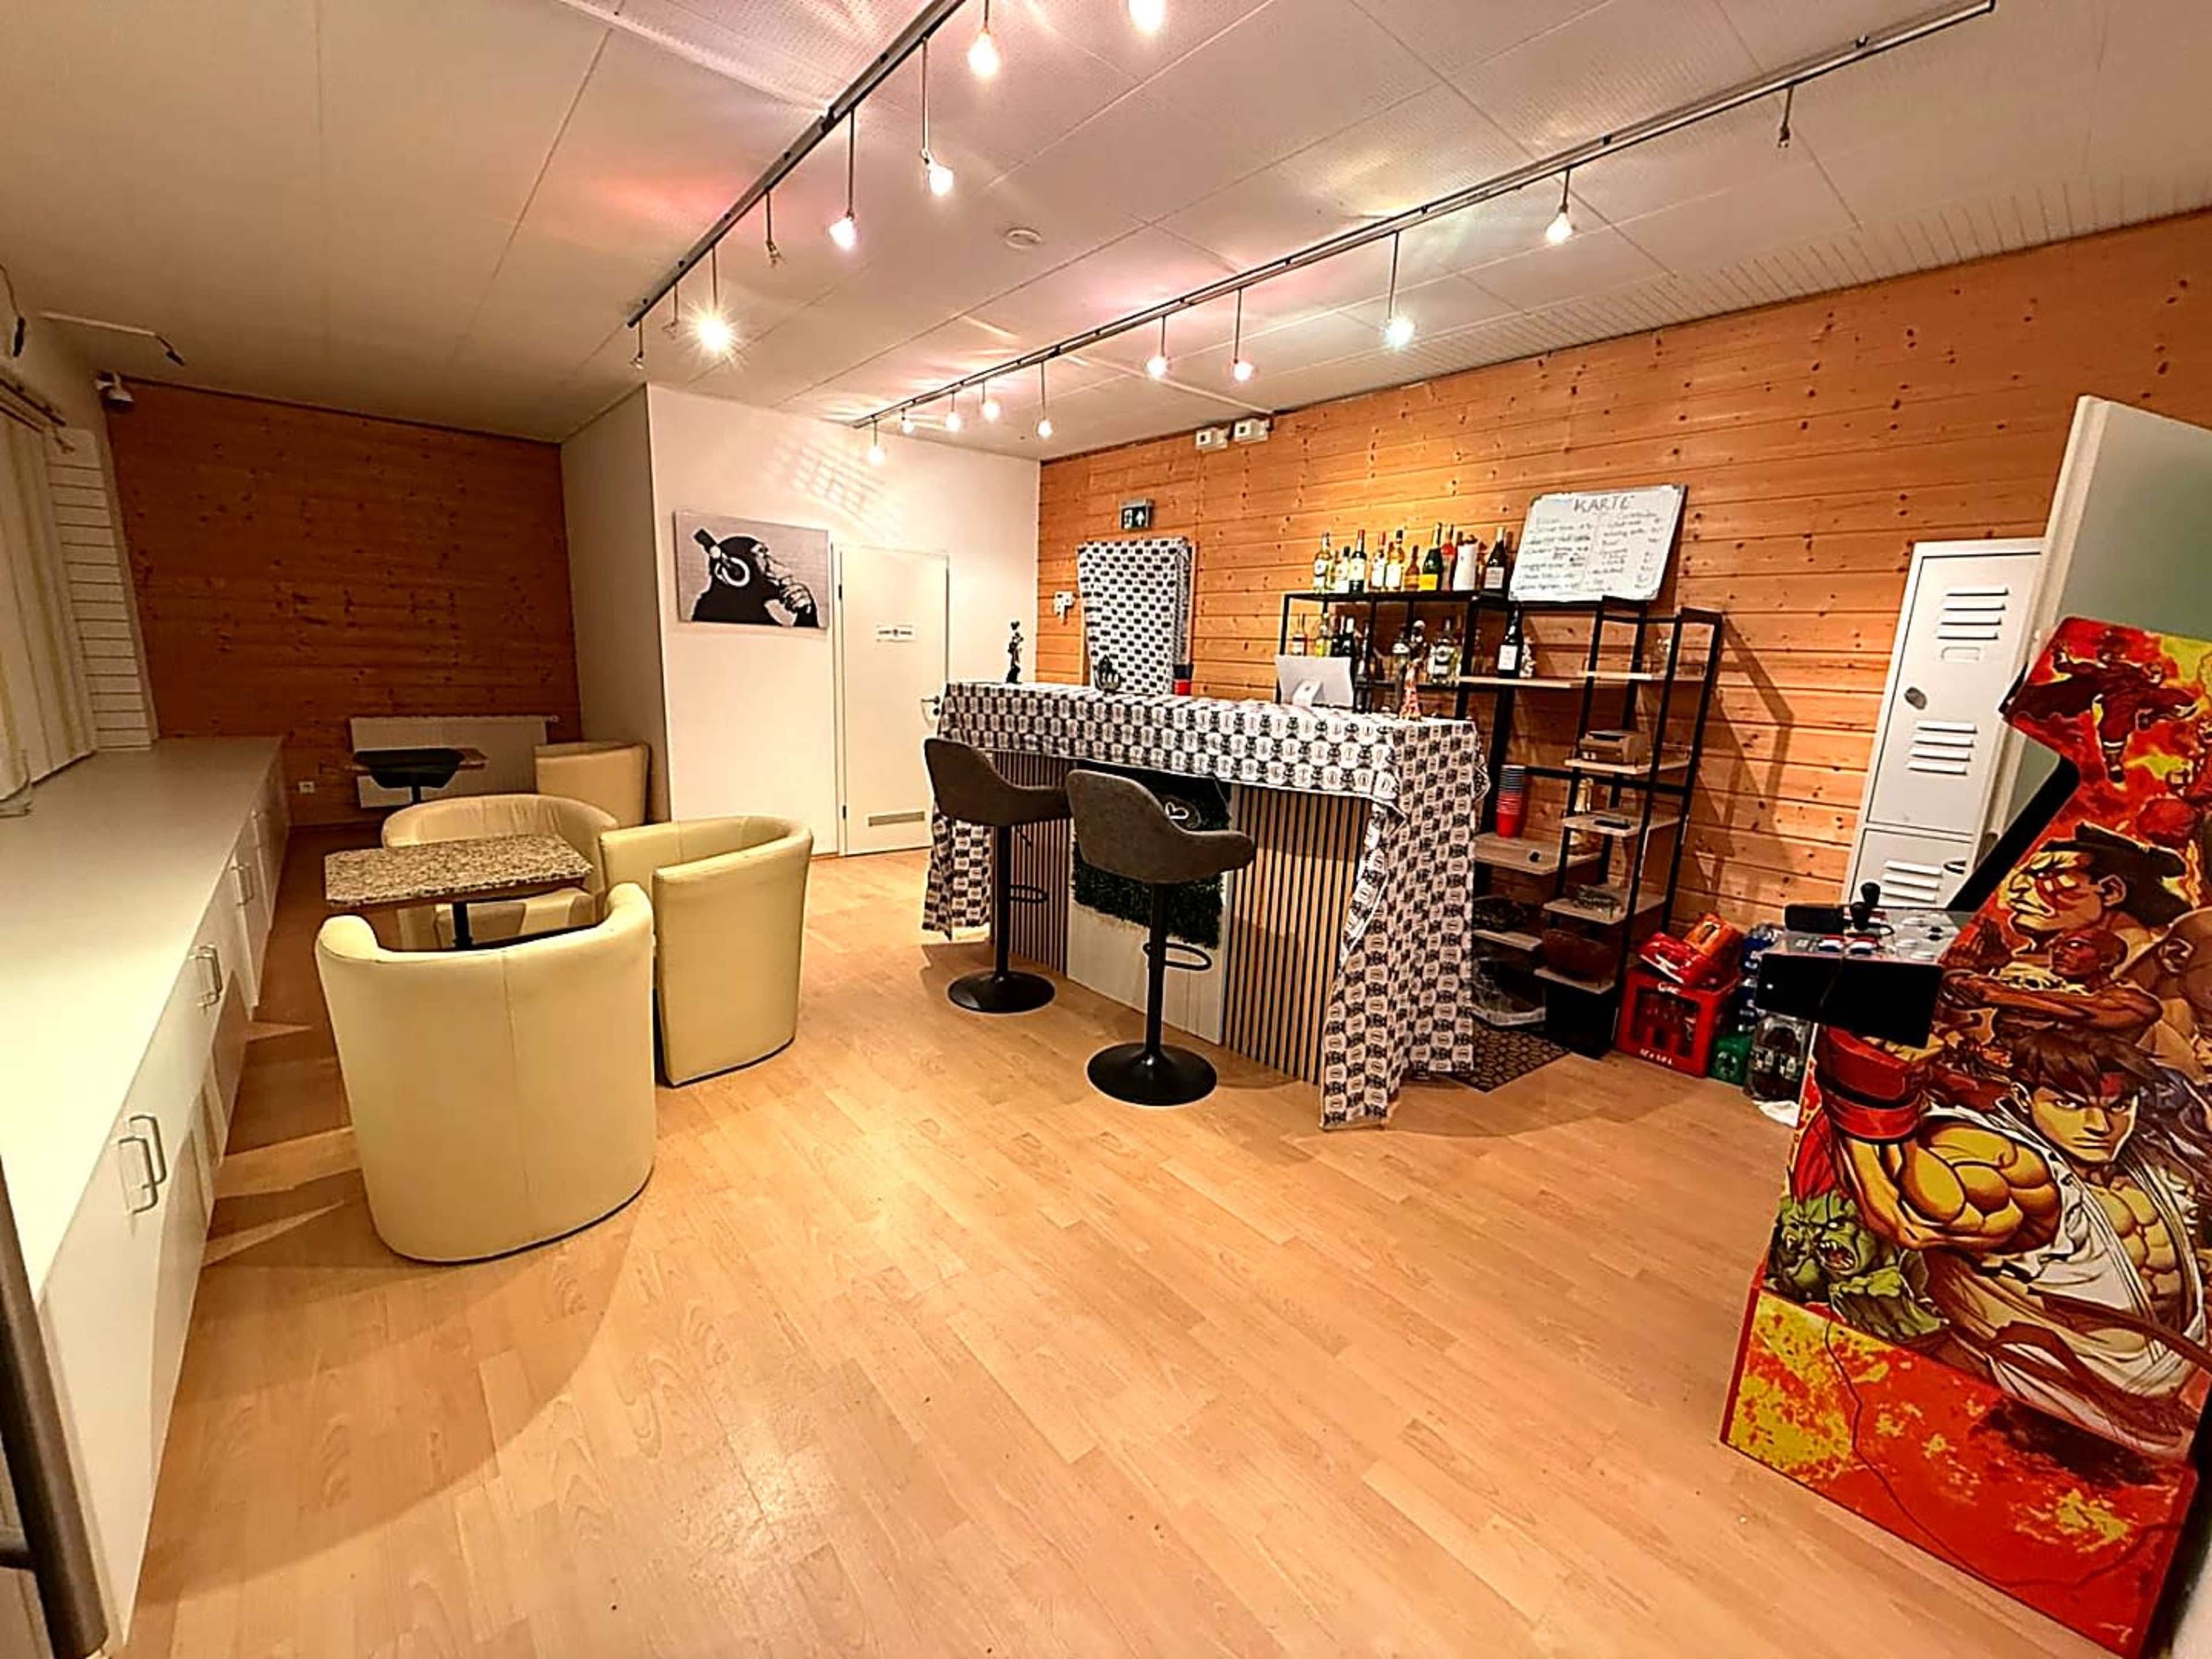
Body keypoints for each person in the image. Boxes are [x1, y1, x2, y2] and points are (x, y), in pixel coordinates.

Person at [1830, 1027, 2212, 1457]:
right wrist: (1872, 1089)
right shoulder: (2014, 1164)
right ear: (2025, 1097)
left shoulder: (2150, 1154)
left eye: (2119, 1105)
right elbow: (1906, 1216)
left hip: (2166, 1393)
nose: (2100, 1126)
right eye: (2068, 1104)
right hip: (2046, 1391)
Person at [690, 528, 820, 627]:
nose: (776, 566)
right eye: (762, 555)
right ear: (735, 572)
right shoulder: (717, 611)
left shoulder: (751, 610)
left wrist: (806, 613)